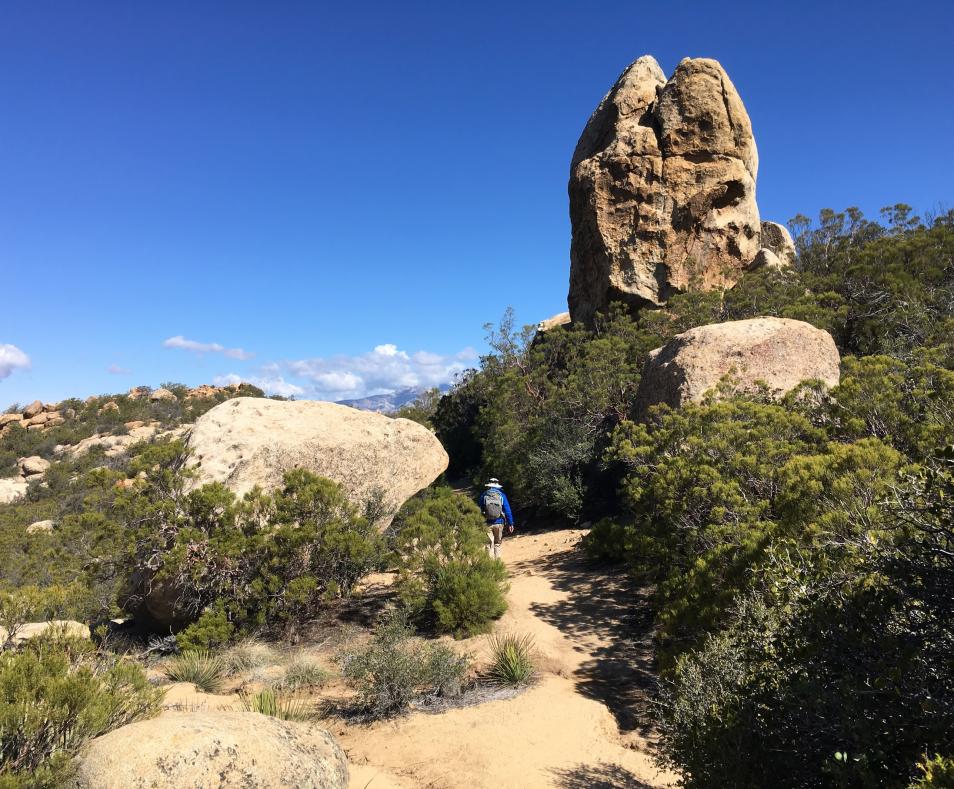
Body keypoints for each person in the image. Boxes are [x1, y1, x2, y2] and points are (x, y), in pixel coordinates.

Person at [478, 477, 514, 559]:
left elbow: (479, 509)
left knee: (488, 544)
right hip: (499, 522)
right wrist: (510, 523)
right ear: (497, 485)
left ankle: (488, 565)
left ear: (489, 485)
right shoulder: (502, 495)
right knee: (497, 544)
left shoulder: (484, 495)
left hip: (487, 523)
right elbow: (507, 510)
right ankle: (497, 564)